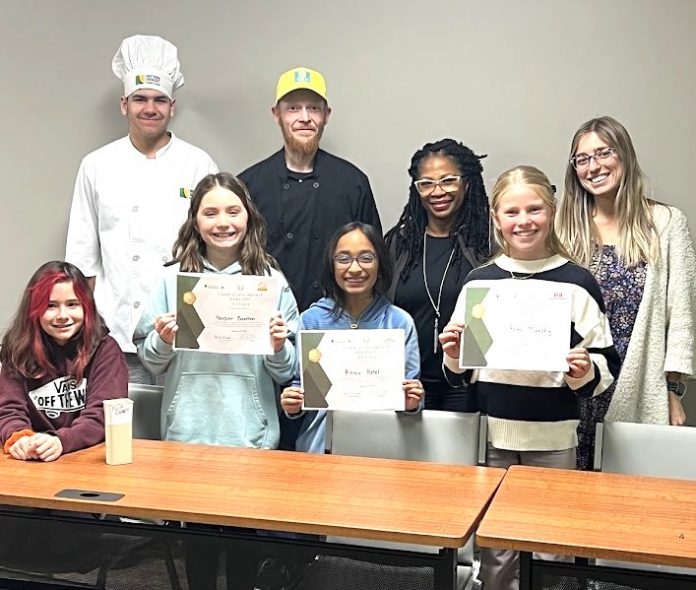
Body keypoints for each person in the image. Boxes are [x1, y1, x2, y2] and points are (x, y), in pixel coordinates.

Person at [439, 166, 620, 590]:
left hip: (555, 437)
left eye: (534, 209)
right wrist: (453, 356)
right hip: (494, 436)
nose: (524, 221)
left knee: (550, 544)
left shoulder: (576, 282)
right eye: (512, 211)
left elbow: (607, 363)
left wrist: (585, 370)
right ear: (496, 219)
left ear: (551, 212)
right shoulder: (479, 283)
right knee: (496, 549)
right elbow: (461, 372)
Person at [133, 172, 298, 590]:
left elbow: (288, 372)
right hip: (189, 432)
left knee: (245, 545)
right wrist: (165, 339)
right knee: (199, 548)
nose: (222, 222)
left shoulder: (271, 282)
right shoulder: (173, 281)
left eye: (232, 210)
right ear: (195, 221)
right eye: (210, 212)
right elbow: (150, 361)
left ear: (249, 217)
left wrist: (279, 346)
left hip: (250, 433)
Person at [66, 34, 218, 384]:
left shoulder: (198, 164)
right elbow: (82, 259)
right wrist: (82, 335)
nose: (150, 108)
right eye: (140, 99)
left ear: (172, 107)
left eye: (159, 100)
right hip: (114, 337)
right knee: (119, 433)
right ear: (124, 104)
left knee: (178, 436)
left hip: (182, 333)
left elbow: (217, 253)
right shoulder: (96, 165)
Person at [557, 116, 696, 470]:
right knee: (570, 494)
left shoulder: (664, 223)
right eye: (582, 159)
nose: (594, 166)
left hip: (637, 381)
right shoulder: (563, 226)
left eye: (603, 153)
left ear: (625, 156)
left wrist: (673, 391)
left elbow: (681, 315)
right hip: (572, 384)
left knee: (628, 498)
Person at [239, 66, 382, 313]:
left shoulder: (352, 182)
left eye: (313, 108)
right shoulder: (249, 185)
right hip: (265, 320)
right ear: (276, 114)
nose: (304, 117)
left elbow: (374, 262)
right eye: (293, 108)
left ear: (326, 115)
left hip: (336, 321)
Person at [280, 222, 423, 454]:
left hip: (383, 449)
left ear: (380, 264)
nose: (355, 269)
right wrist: (293, 403)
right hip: (320, 449)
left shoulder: (399, 322)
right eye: (343, 259)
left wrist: (412, 402)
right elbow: (301, 387)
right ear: (331, 265)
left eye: (366, 258)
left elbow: (411, 395)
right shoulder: (312, 320)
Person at [385, 139, 490, 412]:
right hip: (407, 384)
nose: (437, 191)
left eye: (448, 181)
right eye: (427, 183)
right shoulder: (399, 244)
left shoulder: (487, 245)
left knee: (459, 457)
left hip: (466, 385)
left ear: (467, 183)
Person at [0, 261, 128, 461]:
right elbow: (9, 409)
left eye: (72, 304)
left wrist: (61, 441)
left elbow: (101, 415)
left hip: (88, 458)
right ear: (34, 310)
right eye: (50, 306)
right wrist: (19, 437)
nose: (62, 315)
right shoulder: (18, 348)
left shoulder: (106, 350)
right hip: (33, 460)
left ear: (86, 306)